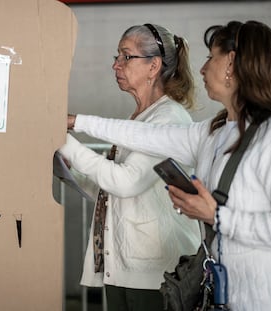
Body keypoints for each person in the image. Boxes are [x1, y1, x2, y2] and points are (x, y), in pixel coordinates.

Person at [66, 20, 271, 311]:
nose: (203, 69)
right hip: (220, 295)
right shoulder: (214, 132)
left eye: (210, 58)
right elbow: (145, 135)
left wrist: (217, 216)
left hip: (267, 299)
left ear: (231, 63)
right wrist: (76, 122)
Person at [58, 24, 201, 311]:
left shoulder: (168, 118)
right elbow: (111, 192)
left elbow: (127, 182)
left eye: (126, 56)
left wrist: (63, 139)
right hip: (125, 267)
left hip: (154, 274)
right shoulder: (138, 117)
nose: (116, 65)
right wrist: (68, 170)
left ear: (153, 66)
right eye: (117, 56)